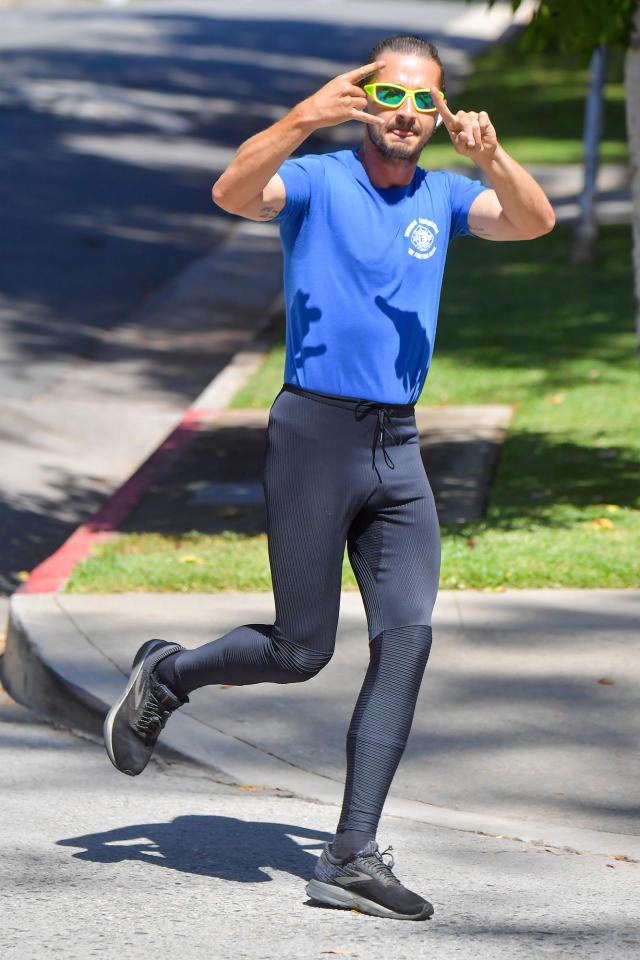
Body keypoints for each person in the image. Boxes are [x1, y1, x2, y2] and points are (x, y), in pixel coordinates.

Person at [103, 34, 554, 921]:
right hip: (313, 435)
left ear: (441, 111)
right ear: (366, 98)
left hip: (398, 447)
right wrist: (304, 117)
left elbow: (533, 222)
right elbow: (233, 192)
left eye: (425, 102)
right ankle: (168, 674)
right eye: (393, 96)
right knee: (301, 650)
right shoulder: (317, 178)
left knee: (408, 640)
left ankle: (352, 855)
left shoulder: (449, 195)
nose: (407, 115)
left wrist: (494, 158)